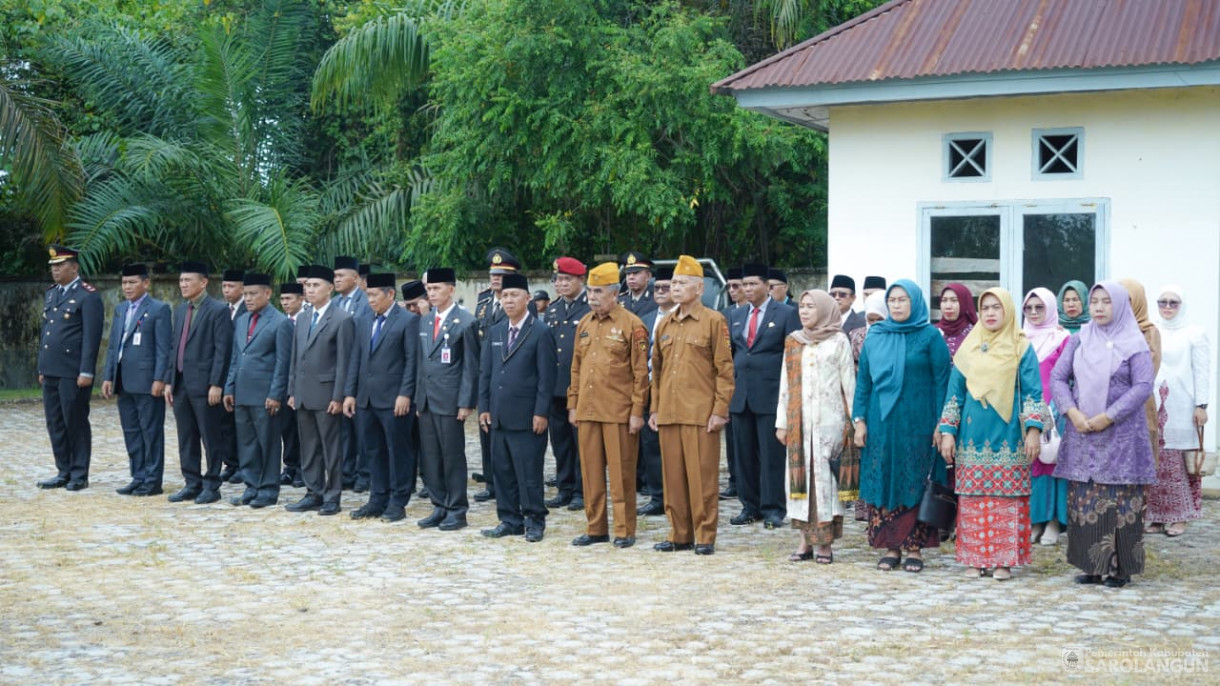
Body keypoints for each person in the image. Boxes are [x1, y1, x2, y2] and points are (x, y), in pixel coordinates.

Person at [1051, 282, 1156, 588]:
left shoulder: (1134, 342)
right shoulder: (1080, 338)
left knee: (1120, 498)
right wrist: (1072, 412)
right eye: (1094, 301)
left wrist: (1108, 416)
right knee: (1086, 496)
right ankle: (1092, 565)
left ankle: (1121, 569)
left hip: (1121, 433)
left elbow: (1142, 386)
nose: (1097, 307)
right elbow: (1059, 376)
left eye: (1106, 302)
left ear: (1120, 306)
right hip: (1083, 430)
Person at [938, 288, 1045, 581]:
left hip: (1010, 436)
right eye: (985, 307)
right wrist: (947, 432)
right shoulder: (969, 348)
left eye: (997, 307)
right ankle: (974, 558)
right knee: (972, 499)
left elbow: (1034, 393)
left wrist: (1034, 431)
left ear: (1008, 311)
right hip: (971, 437)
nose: (990, 313)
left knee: (1006, 500)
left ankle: (1003, 561)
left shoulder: (1020, 347)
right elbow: (954, 395)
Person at [853, 279, 951, 573]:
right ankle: (891, 546)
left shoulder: (930, 337)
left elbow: (942, 382)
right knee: (884, 479)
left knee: (914, 479)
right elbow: (864, 383)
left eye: (902, 300)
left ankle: (914, 548)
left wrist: (941, 424)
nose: (896, 305)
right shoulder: (876, 336)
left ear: (915, 303)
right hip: (881, 424)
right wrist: (859, 421)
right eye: (892, 300)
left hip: (919, 425)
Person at [649, 256, 735, 555]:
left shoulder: (714, 321)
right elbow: (656, 371)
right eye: (673, 282)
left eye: (682, 283)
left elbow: (724, 370)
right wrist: (655, 409)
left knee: (702, 478)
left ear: (700, 288)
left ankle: (704, 536)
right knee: (673, 478)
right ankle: (679, 534)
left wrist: (719, 410)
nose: (676, 287)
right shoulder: (665, 324)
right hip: (670, 413)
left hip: (701, 414)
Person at [568, 262, 650, 548]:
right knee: (590, 473)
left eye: (598, 291)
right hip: (589, 410)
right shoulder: (585, 324)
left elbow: (641, 373)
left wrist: (637, 411)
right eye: (589, 291)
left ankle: (624, 529)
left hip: (618, 412)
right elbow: (576, 367)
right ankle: (596, 527)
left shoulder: (632, 324)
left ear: (615, 293)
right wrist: (573, 403)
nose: (592, 296)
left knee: (621, 474)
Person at [775, 290, 855, 564]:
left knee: (825, 483)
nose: (804, 311)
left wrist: (856, 423)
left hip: (830, 424)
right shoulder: (793, 341)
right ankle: (803, 541)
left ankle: (825, 545)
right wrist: (782, 422)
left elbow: (849, 385)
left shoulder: (838, 340)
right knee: (800, 483)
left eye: (811, 307)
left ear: (824, 309)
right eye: (802, 307)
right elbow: (785, 384)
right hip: (799, 424)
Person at [478, 273, 556, 542]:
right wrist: (484, 407)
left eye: (514, 295)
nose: (509, 300)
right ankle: (509, 519)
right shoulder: (497, 330)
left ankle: (534, 520)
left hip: (527, 416)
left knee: (529, 473)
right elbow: (486, 371)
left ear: (527, 298)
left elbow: (546, 378)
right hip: (499, 415)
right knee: (502, 471)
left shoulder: (540, 331)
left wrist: (541, 412)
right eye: (505, 296)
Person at [343, 272, 420, 523]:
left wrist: (405, 394)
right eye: (368, 295)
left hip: (394, 399)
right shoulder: (364, 320)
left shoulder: (407, 321)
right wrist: (350, 393)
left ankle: (398, 500)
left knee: (398, 450)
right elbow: (356, 357)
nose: (370, 300)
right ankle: (377, 497)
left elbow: (412, 361)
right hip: (366, 398)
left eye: (375, 295)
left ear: (390, 294)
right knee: (372, 450)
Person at [729, 263, 800, 529]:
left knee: (771, 455)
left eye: (752, 284)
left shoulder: (785, 314)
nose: (746, 289)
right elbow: (731, 354)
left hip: (770, 393)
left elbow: (792, 355)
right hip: (741, 394)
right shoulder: (735, 315)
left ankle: (773, 508)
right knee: (743, 454)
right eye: (743, 284)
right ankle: (750, 505)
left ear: (766, 285)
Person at [285, 265, 354, 516]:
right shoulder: (302, 317)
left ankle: (332, 496)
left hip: (327, 395)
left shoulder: (342, 319)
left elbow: (344, 362)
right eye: (308, 286)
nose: (310, 290)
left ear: (330, 288)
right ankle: (313, 492)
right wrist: (292, 390)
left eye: (315, 285)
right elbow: (295, 358)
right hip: (303, 393)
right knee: (309, 447)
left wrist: (339, 396)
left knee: (331, 448)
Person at [415, 267, 480, 531]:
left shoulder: (465, 322)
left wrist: (466, 403)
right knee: (430, 456)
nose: (432, 294)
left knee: (452, 456)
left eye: (437, 288)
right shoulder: (426, 320)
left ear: (451, 290)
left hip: (451, 400)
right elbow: (422, 362)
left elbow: (470, 367)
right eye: (429, 289)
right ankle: (438, 505)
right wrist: (419, 397)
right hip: (428, 400)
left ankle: (457, 509)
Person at [36, 245, 104, 491]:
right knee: (54, 422)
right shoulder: (52, 293)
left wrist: (86, 371)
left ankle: (79, 473)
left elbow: (91, 338)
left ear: (74, 267)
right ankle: (63, 470)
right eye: (53, 266)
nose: (55, 270)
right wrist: (41, 366)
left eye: (60, 265)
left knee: (74, 421)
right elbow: (46, 332)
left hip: (72, 371)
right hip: (52, 368)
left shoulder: (88, 296)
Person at [223, 273, 293, 508]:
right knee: (247, 443)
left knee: (268, 442)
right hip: (242, 393)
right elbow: (236, 357)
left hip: (265, 395)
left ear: (268, 293)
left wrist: (275, 394)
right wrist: (229, 387)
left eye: (253, 294)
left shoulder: (280, 322)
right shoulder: (242, 320)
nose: (249, 299)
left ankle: (268, 489)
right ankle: (251, 486)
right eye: (246, 294)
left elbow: (283, 363)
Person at [166, 261, 232, 505]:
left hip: (205, 386)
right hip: (181, 383)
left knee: (210, 436)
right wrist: (168, 381)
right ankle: (191, 482)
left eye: (188, 280)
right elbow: (174, 348)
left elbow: (222, 350)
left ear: (203, 282)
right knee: (186, 436)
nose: (183, 284)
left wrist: (216, 383)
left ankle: (212, 484)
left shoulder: (217, 310)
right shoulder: (181, 310)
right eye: (181, 281)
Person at [103, 263, 172, 496]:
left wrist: (160, 378)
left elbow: (164, 348)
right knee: (131, 431)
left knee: (150, 431)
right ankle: (138, 475)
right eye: (124, 283)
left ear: (146, 283)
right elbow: (114, 346)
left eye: (133, 282)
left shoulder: (158, 309)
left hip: (147, 381)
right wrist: (108, 376)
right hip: (123, 380)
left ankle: (153, 481)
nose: (128, 287)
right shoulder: (121, 309)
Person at [1146, 285, 1210, 538]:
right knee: (1156, 462)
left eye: (1174, 303)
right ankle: (1156, 516)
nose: (1168, 307)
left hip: (1182, 406)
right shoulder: (1152, 330)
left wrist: (1201, 405)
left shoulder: (1194, 333)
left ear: (1182, 305)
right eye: (1163, 302)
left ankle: (1180, 517)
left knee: (1178, 463)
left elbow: (1202, 370)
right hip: (1153, 405)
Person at [1022, 288, 1071, 546]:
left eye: (1039, 307)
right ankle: (1035, 520)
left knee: (1052, 461)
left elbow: (1067, 376)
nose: (1033, 312)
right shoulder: (1019, 338)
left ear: (1050, 308)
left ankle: (1054, 521)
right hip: (1025, 410)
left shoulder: (1061, 338)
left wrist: (1055, 405)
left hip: (1055, 409)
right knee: (1031, 464)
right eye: (1028, 308)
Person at [473, 247, 522, 502]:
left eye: (501, 274)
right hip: (487, 375)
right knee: (486, 431)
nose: (495, 278)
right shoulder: (483, 301)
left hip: (508, 377)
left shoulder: (520, 305)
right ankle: (491, 481)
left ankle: (508, 482)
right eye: (493, 274)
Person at [543, 257, 590, 512]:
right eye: (558, 279)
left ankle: (583, 490)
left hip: (580, 386)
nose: (561, 284)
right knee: (560, 440)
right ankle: (565, 487)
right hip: (555, 386)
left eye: (566, 279)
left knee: (581, 441)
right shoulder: (552, 309)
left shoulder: (589, 306)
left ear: (580, 280)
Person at [637, 266, 676, 516]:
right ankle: (657, 496)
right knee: (650, 447)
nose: (660, 292)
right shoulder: (647, 319)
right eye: (657, 288)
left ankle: (677, 496)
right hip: (648, 389)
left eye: (666, 287)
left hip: (674, 391)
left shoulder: (682, 317)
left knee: (673, 447)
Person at [333, 256, 371, 492]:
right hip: (338, 372)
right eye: (334, 276)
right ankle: (347, 471)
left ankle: (364, 473)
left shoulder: (366, 302)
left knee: (361, 427)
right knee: (343, 427)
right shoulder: (335, 303)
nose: (336, 280)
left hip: (359, 372)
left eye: (341, 276)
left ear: (356, 278)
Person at [1119, 278, 1163, 464]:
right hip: (1107, 409)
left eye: (1128, 299)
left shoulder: (1148, 332)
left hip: (1139, 407)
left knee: (1137, 466)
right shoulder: (1106, 330)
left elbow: (1146, 373)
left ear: (1138, 301)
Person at [217, 268, 246, 484]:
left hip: (242, 374)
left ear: (242, 288)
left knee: (241, 424)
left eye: (231, 286)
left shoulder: (248, 310)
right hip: (223, 374)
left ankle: (244, 465)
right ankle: (231, 462)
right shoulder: (221, 310)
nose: (227, 290)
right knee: (225, 422)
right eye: (224, 286)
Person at [277, 282, 306, 488]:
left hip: (304, 384)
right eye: (283, 299)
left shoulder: (307, 320)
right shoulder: (281, 323)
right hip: (284, 384)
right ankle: (290, 466)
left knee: (303, 429)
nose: (285, 303)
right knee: (287, 428)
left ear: (300, 299)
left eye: (289, 299)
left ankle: (304, 469)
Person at [935, 283, 976, 360]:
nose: (948, 306)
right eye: (944, 300)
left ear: (964, 303)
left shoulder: (975, 334)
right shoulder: (933, 332)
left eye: (954, 300)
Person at [849, 291, 887, 366]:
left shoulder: (895, 337)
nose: (875, 323)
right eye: (871, 319)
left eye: (880, 319)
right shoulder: (856, 336)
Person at [618, 251, 657, 316]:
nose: (631, 277)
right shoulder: (619, 300)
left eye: (636, 273)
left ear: (648, 276)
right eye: (628, 274)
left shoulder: (656, 299)